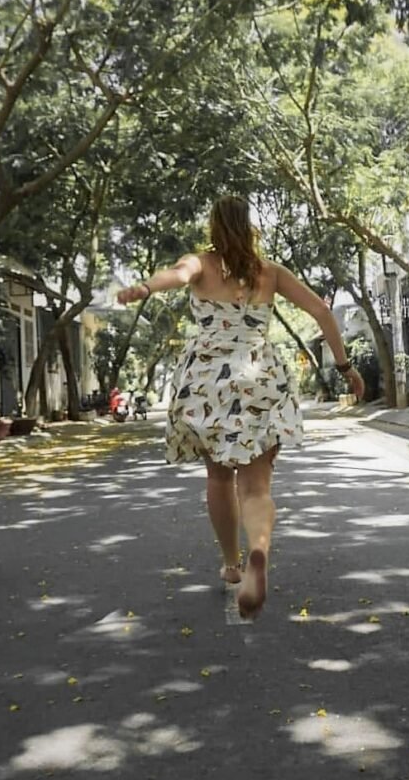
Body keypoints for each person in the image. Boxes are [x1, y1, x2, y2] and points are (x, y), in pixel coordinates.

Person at [117, 195, 364, 619]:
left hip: (208, 381)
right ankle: (259, 553)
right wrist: (344, 367)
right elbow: (321, 310)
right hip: (259, 377)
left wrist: (144, 288)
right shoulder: (270, 272)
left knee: (218, 476)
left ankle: (232, 564)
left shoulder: (200, 263)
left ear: (214, 227)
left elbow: (177, 275)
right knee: (256, 487)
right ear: (250, 227)